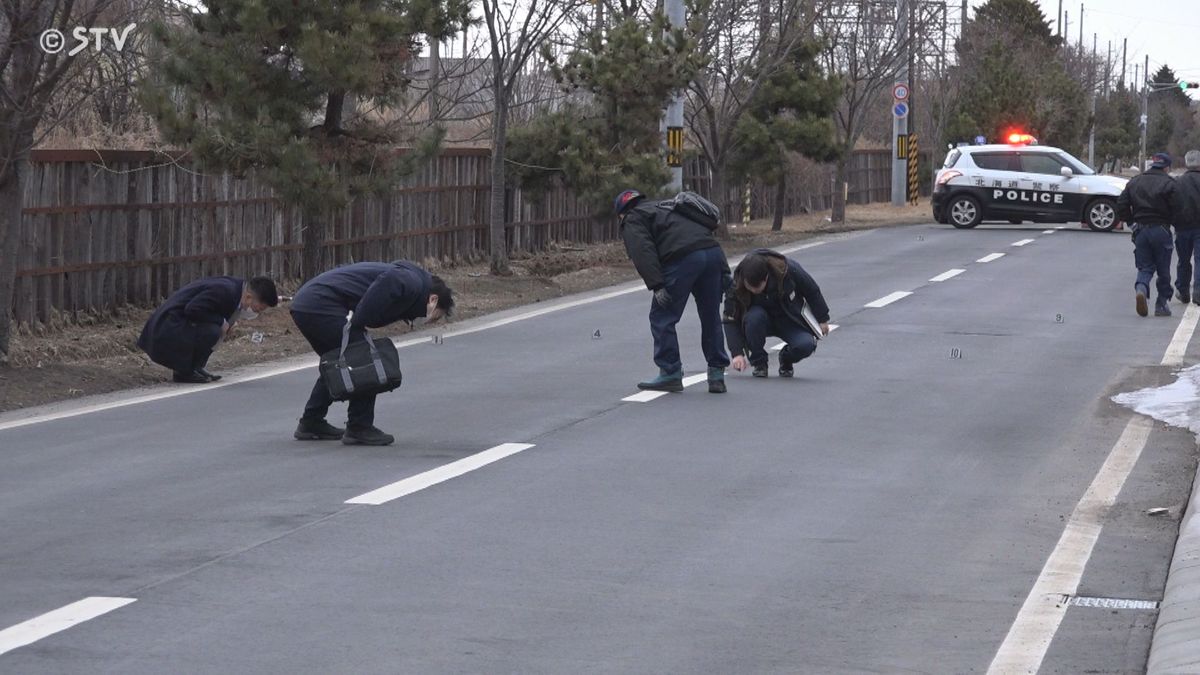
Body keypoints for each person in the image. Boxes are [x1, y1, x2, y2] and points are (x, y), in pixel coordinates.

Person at [289, 260, 454, 446]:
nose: (430, 321)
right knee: (363, 358)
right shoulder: (410, 281)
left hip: (309, 303)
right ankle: (359, 426)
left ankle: (311, 421)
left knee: (340, 363)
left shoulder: (414, 280)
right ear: (433, 300)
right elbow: (388, 283)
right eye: (436, 316)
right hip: (320, 304)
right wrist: (360, 320)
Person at [615, 189, 731, 394]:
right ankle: (716, 374)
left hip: (684, 259)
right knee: (710, 315)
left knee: (662, 316)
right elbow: (705, 236)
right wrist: (724, 271)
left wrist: (656, 285)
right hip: (712, 256)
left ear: (621, 213)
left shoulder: (633, 218)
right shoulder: (668, 206)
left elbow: (643, 250)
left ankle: (670, 372)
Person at [138, 275, 278, 383]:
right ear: (249, 297)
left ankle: (195, 367)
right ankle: (184, 371)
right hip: (165, 327)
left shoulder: (236, 289)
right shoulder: (226, 291)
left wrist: (225, 323)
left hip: (174, 324)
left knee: (220, 328)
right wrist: (221, 322)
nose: (258, 311)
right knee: (214, 331)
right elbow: (192, 309)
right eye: (260, 307)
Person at [723, 249, 830, 378]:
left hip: (789, 318)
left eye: (757, 287)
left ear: (766, 277)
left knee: (806, 345)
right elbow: (730, 319)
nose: (753, 290)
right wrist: (737, 353)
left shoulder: (788, 270)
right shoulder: (737, 284)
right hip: (759, 321)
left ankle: (786, 359)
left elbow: (811, 290)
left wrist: (822, 319)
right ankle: (759, 362)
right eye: (750, 287)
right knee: (754, 318)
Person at [1117, 152, 1178, 317]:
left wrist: (1131, 222)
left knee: (1145, 267)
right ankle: (1161, 304)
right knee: (1163, 269)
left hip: (1141, 230)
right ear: (1166, 167)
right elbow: (1177, 208)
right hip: (1161, 229)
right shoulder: (1170, 184)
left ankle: (1141, 288)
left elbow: (1122, 203)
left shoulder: (1135, 181)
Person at [1172, 150, 1200, 305]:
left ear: (1186, 163)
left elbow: (1172, 204)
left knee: (1183, 260)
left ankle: (1183, 290)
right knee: (1199, 259)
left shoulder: (1178, 182)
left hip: (1182, 227)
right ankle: (1198, 292)